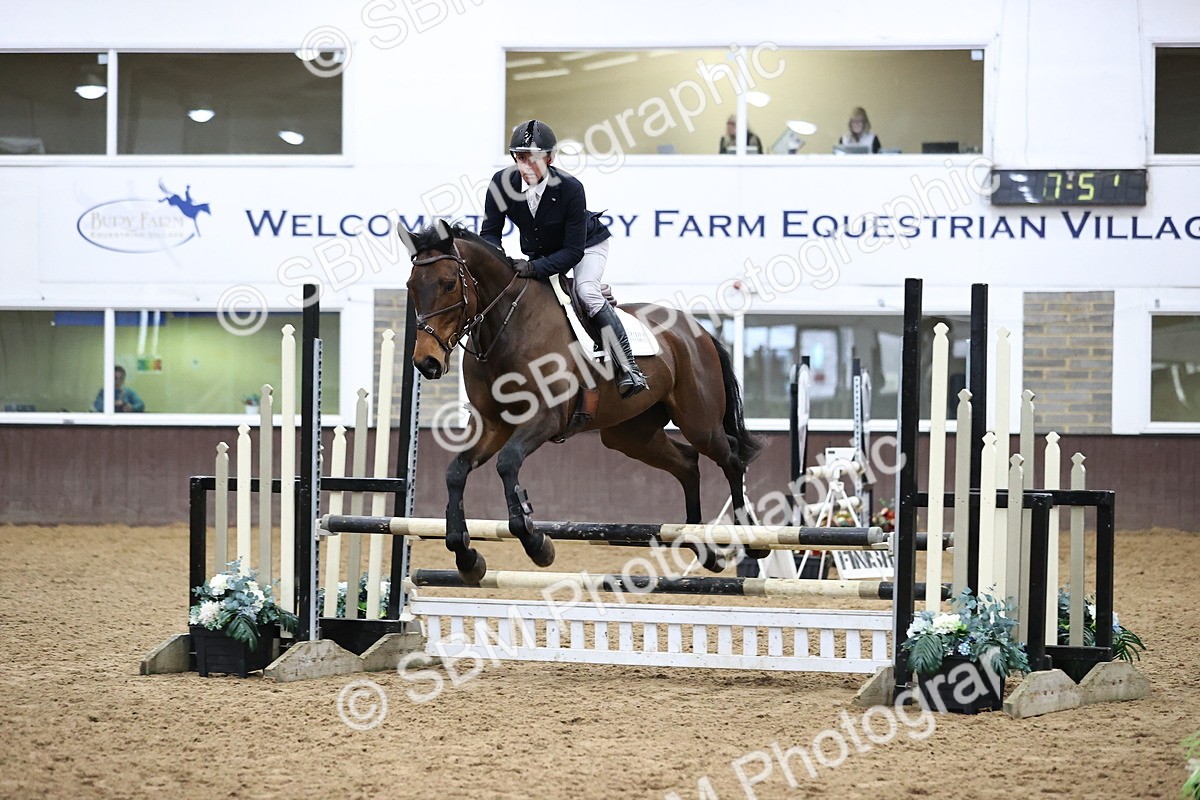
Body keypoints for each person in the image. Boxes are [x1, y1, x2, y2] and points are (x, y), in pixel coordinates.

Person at [480, 119, 648, 398]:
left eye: (534, 160)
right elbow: (489, 234)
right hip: (542, 253)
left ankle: (628, 367)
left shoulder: (571, 188)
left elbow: (572, 252)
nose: (527, 168)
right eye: (521, 159)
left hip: (586, 246)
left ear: (550, 157)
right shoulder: (501, 183)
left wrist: (533, 267)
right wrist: (496, 266)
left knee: (586, 291)